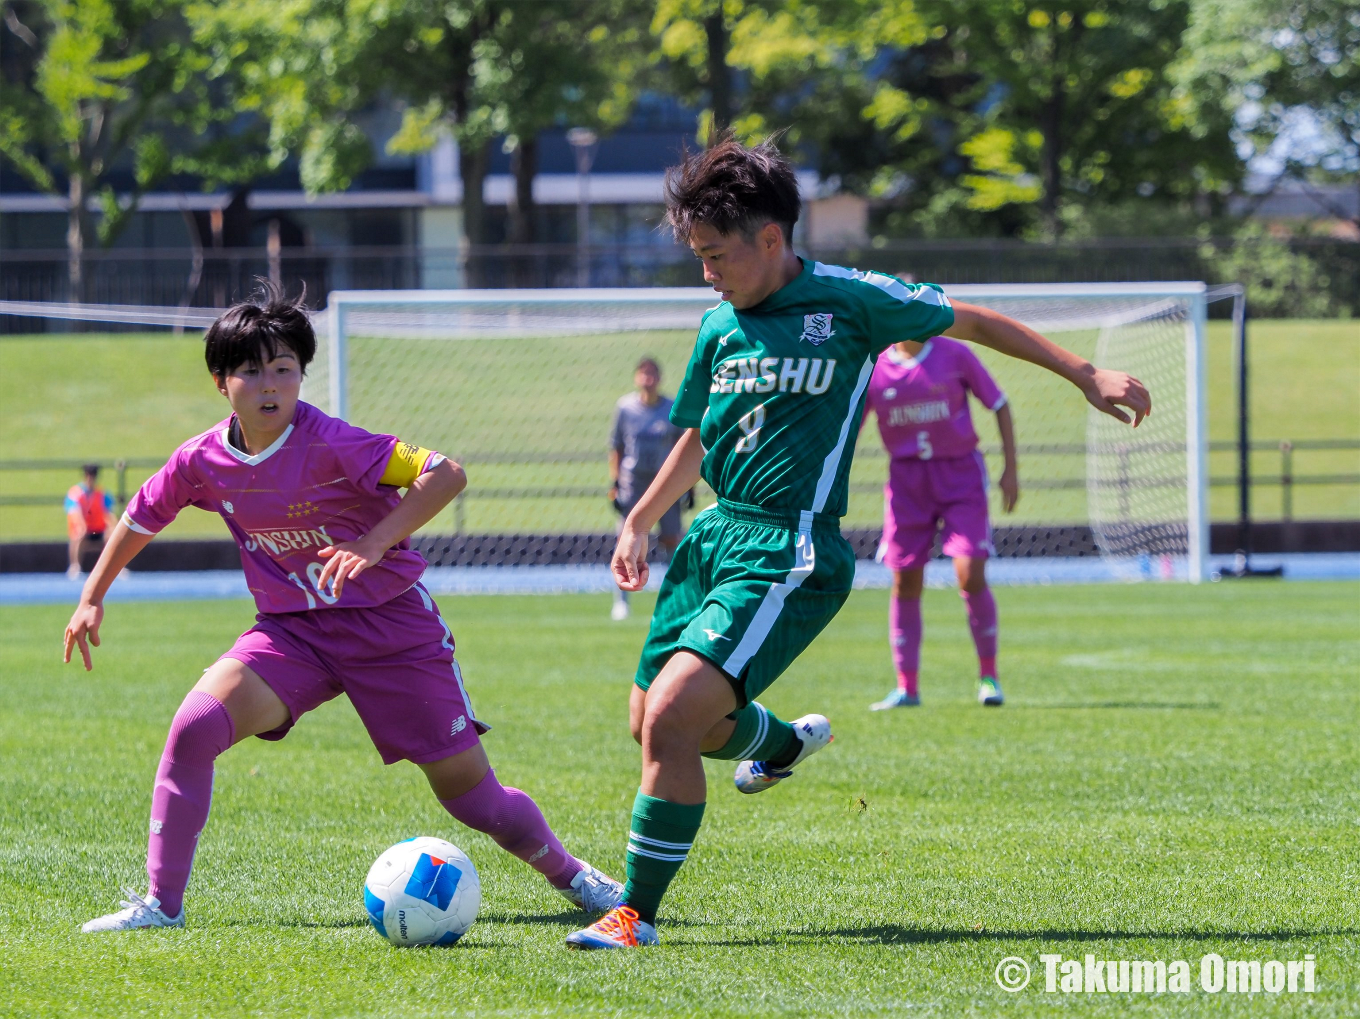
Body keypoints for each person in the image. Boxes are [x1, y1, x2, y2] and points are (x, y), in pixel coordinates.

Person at [565, 135, 1151, 950]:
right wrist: (640, 517)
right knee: (655, 724)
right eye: (696, 256)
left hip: (790, 551)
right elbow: (699, 433)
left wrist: (1084, 372)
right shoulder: (716, 327)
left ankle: (634, 913)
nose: (707, 272)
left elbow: (970, 318)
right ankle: (783, 741)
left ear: (771, 239)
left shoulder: (852, 301)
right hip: (710, 541)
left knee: (671, 718)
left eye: (716, 254)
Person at [65, 285, 623, 933]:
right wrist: (91, 596)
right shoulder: (203, 460)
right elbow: (140, 514)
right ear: (221, 382)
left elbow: (445, 472)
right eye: (251, 370)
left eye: (284, 369)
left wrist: (372, 541)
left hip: (392, 629)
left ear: (302, 375)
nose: (270, 384)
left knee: (473, 797)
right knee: (193, 727)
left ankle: (572, 874)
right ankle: (162, 905)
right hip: (291, 633)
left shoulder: (336, 443)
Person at [862, 335, 1018, 710]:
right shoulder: (875, 367)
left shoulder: (955, 354)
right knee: (905, 579)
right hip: (906, 481)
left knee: (969, 573)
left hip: (960, 475)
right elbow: (847, 426)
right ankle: (907, 687)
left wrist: (1011, 468)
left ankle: (988, 676)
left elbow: (999, 403)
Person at [607, 356, 684, 620]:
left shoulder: (672, 408)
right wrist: (615, 484)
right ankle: (622, 599)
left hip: (664, 483)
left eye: (653, 373)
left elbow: (683, 447)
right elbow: (616, 446)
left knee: (672, 539)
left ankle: (674, 601)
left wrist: (689, 488)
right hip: (633, 482)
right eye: (644, 373)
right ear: (637, 377)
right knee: (626, 538)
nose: (648, 379)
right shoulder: (626, 408)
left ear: (660, 378)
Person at [66, 464, 114, 580]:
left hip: (98, 529)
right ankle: (75, 567)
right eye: (88, 475)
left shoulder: (102, 493)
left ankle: (114, 568)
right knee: (77, 535)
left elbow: (108, 513)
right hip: (84, 530)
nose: (90, 478)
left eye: (93, 475)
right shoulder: (75, 493)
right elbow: (74, 512)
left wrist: (113, 526)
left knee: (112, 536)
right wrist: (82, 526)